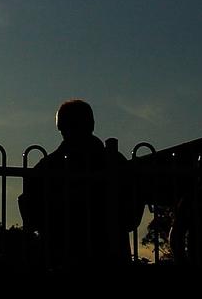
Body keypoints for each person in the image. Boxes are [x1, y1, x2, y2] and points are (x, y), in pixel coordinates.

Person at [18, 99, 140, 269]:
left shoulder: (48, 166)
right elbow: (132, 214)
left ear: (60, 127)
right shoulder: (114, 162)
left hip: (63, 256)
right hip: (108, 256)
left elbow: (31, 215)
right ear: (91, 124)